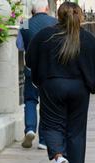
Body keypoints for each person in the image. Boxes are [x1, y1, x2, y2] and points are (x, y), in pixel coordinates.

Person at [25, 2, 95, 163]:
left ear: (58, 16)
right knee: (76, 130)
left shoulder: (44, 36)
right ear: (81, 16)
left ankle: (59, 157)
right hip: (79, 89)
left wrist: (38, 78)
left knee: (52, 125)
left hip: (52, 86)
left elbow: (29, 62)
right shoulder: (88, 39)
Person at [16, 0, 58, 150]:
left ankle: (30, 129)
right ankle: (44, 140)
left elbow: (19, 46)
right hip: (51, 71)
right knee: (47, 104)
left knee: (30, 100)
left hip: (31, 69)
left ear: (32, 10)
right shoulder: (55, 23)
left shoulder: (25, 23)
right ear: (46, 8)